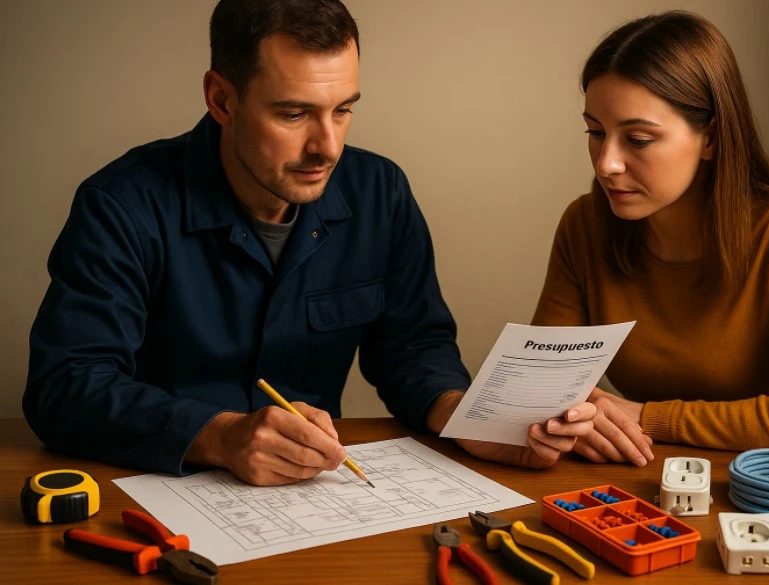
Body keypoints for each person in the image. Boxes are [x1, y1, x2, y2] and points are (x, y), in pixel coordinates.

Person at [24, 0, 595, 485]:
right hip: (152, 495)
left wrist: (462, 416)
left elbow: (413, 346)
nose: (327, 147)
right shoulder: (122, 203)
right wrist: (217, 435)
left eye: (343, 110)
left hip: (315, 502)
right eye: (294, 114)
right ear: (221, 100)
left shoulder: (380, 191)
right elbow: (65, 387)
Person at [531, 10, 769, 466]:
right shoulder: (584, 224)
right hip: (637, 474)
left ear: (712, 138)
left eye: (639, 139)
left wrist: (646, 416)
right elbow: (540, 386)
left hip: (758, 486)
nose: (606, 163)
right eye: (595, 132)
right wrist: (578, 414)